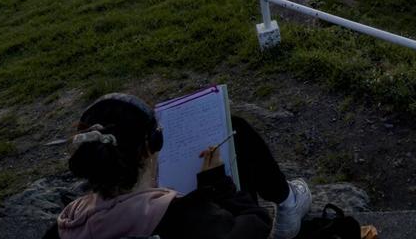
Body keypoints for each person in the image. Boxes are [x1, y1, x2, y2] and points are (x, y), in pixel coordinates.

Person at [42, 92, 312, 239]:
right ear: (150, 148)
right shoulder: (181, 217)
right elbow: (255, 224)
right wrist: (219, 184)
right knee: (235, 129)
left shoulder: (66, 224)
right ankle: (287, 203)